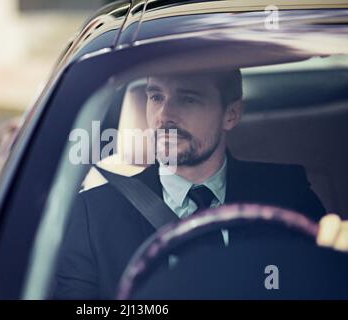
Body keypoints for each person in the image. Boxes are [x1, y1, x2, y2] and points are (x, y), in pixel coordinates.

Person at [53, 69, 347, 299]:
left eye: (188, 98)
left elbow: (327, 285)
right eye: (156, 97)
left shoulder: (286, 193)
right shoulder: (93, 213)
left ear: (230, 115)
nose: (164, 115)